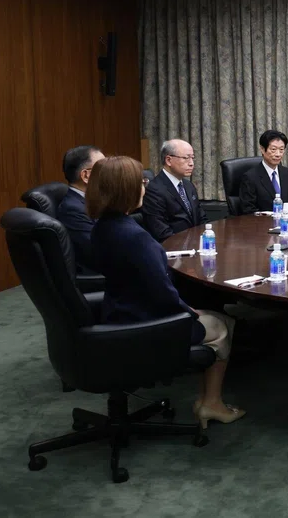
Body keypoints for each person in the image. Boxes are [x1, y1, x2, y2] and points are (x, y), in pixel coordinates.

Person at [87, 156, 244, 428]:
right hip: (148, 323)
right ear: (128, 189)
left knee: (213, 313)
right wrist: (188, 311)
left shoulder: (103, 226)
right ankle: (212, 404)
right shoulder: (135, 237)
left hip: (120, 311)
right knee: (222, 324)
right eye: (141, 182)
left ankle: (209, 400)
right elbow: (162, 293)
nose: (145, 187)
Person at [142, 139, 208, 242]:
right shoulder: (154, 190)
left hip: (196, 245)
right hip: (175, 249)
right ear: (168, 160)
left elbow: (201, 218)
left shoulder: (188, 185)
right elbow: (162, 232)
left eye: (192, 158)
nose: (191, 163)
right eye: (186, 158)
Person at [57, 145, 105, 274]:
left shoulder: (90, 200)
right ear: (86, 175)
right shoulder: (72, 210)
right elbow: (100, 253)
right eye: (104, 168)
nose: (109, 173)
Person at [239, 130, 288, 214]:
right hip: (261, 225)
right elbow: (248, 210)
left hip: (287, 223)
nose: (278, 154)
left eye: (281, 150)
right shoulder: (250, 177)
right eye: (273, 149)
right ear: (262, 149)